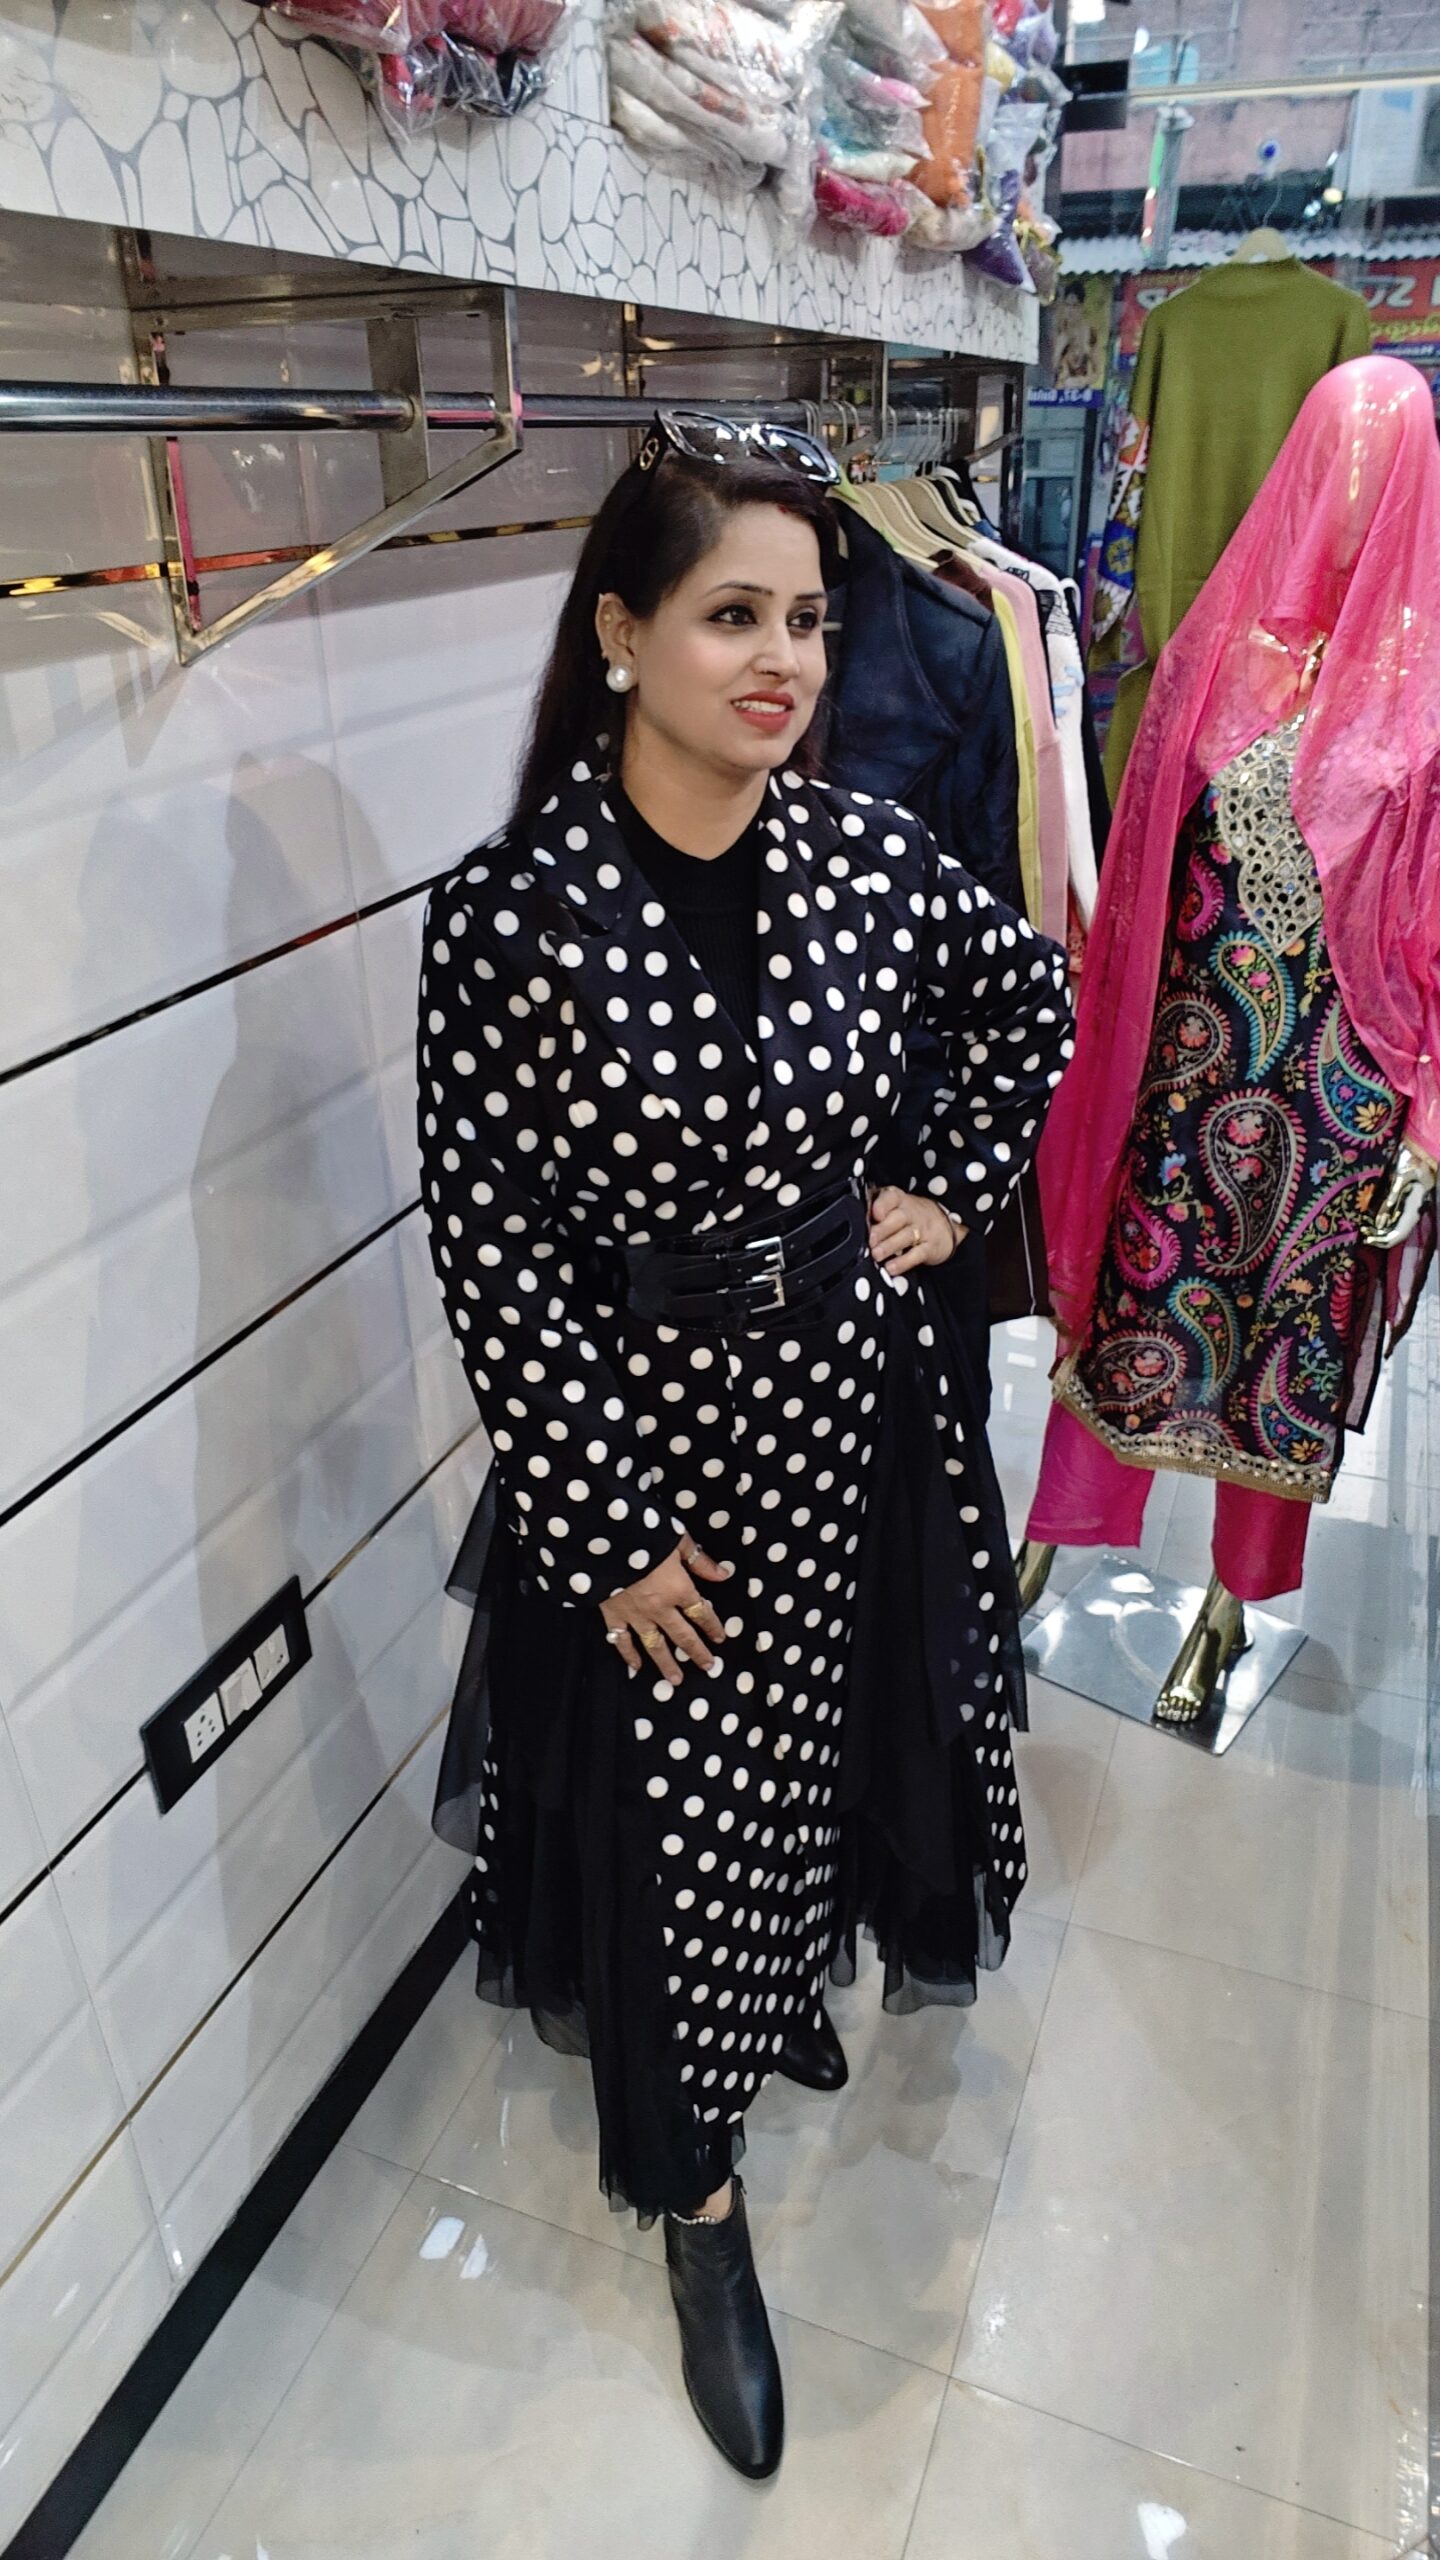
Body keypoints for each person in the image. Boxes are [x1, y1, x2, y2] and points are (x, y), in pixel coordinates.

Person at [417, 410, 1072, 2479]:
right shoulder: (513, 914)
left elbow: (1029, 1006)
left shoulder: (868, 856)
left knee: (829, 1750)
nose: (782, 658)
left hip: (855, 1421)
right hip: (649, 1462)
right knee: (663, 1824)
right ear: (623, 633)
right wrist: (607, 1528)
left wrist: (947, 1186)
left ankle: (777, 1989)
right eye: (731, 616)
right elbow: (494, 1241)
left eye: (805, 618)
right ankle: (695, 2199)